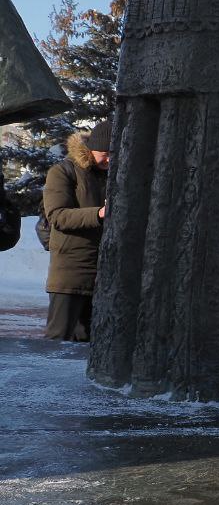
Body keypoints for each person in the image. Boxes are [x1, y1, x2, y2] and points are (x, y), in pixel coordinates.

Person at [43, 119, 110, 341]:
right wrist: (99, 214)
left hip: (101, 274)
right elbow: (57, 216)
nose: (109, 159)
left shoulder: (113, 176)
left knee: (88, 346)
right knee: (57, 341)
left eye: (115, 153)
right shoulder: (63, 172)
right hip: (70, 272)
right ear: (91, 148)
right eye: (105, 152)